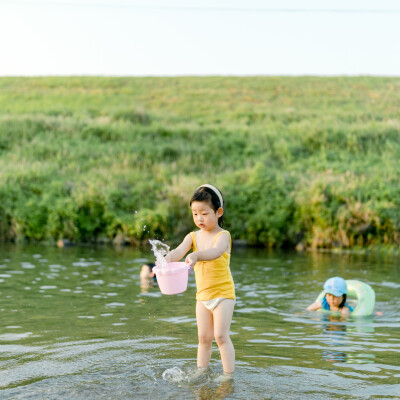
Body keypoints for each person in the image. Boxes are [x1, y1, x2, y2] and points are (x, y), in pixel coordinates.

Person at [164, 184, 235, 381]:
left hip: (223, 295)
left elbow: (215, 252)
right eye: (195, 214)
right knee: (203, 338)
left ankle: (228, 375)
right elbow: (178, 252)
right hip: (202, 297)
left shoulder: (223, 236)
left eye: (204, 213)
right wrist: (165, 260)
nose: (199, 219)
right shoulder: (192, 236)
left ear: (218, 212)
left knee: (220, 336)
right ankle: (202, 371)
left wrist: (196, 255)